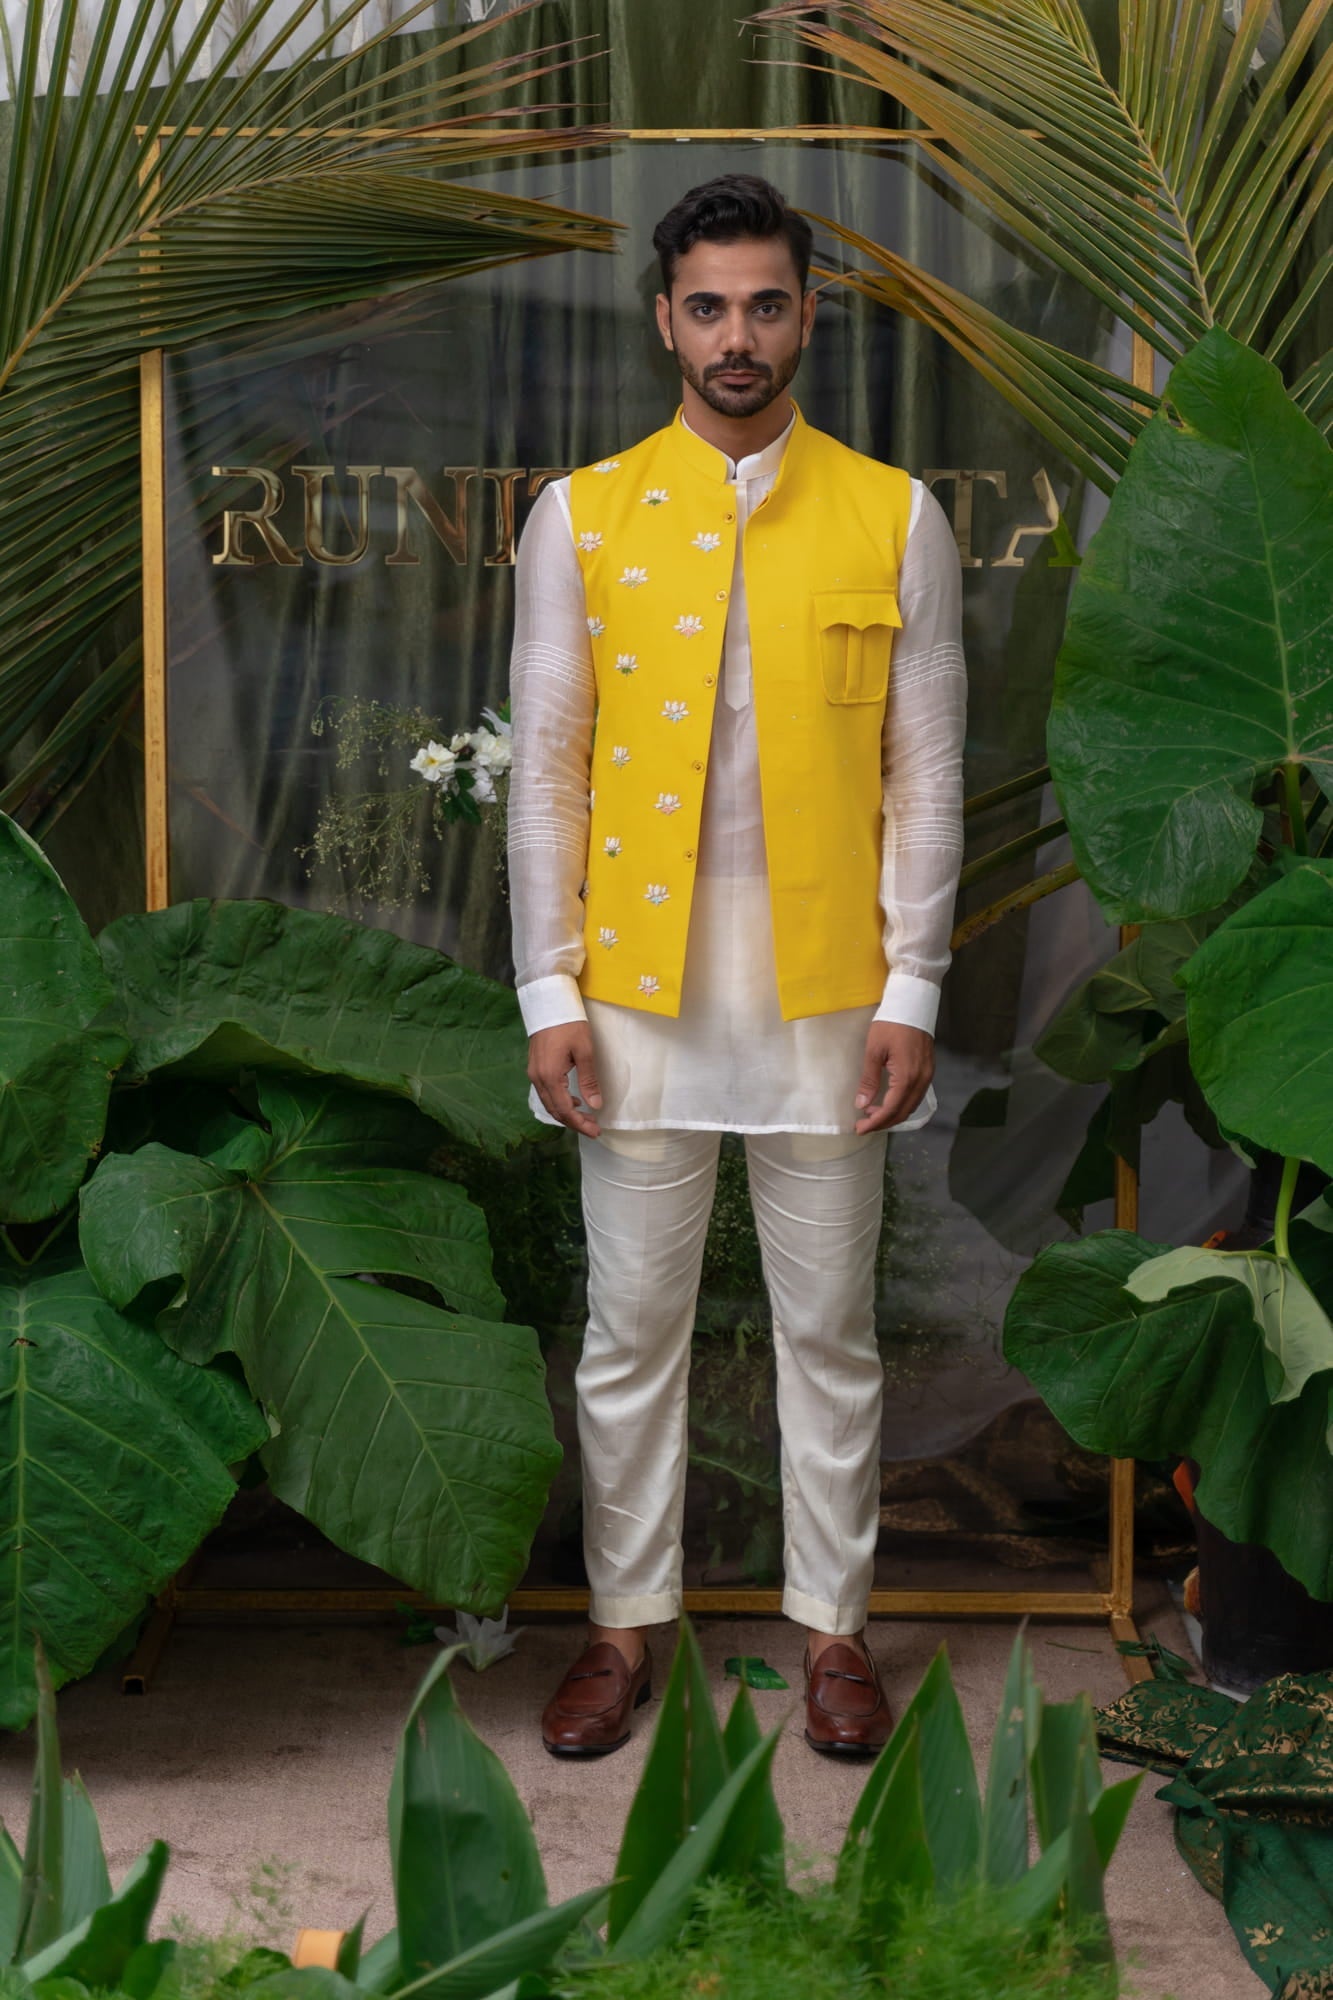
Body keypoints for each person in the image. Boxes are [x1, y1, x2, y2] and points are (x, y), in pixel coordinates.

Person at [507, 174, 966, 1759]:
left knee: (824, 1332)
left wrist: (911, 991)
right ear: (663, 321)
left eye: (764, 303)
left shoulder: (894, 515)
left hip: (827, 995)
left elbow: (925, 778)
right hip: (633, 997)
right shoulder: (577, 516)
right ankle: (625, 1628)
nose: (735, 336)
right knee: (630, 1330)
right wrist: (544, 990)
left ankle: (830, 1627)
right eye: (706, 305)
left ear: (806, 316)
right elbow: (547, 775)